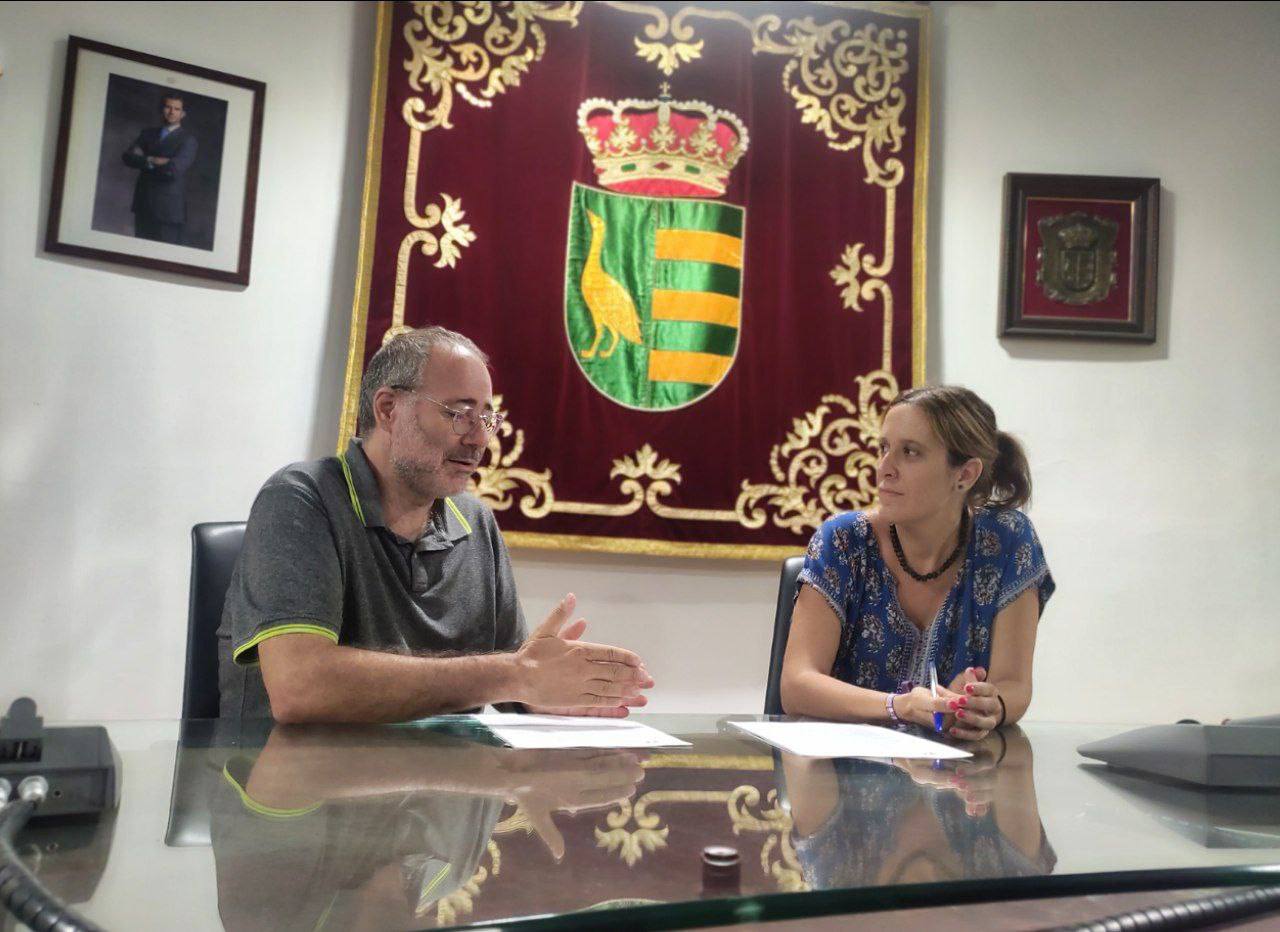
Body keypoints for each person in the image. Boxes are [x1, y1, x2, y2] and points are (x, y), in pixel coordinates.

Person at [216, 326, 654, 721]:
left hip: (436, 789)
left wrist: (544, 693)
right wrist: (515, 676)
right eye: (459, 412)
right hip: (294, 794)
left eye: (486, 417)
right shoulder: (300, 498)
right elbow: (301, 688)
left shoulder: (475, 521)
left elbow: (510, 677)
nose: (479, 438)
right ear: (388, 409)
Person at [780, 385, 1054, 740]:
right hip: (839, 774)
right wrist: (901, 705)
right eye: (883, 449)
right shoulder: (843, 541)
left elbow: (1014, 686)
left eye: (910, 452)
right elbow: (797, 686)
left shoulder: (1007, 541)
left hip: (957, 782)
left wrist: (983, 704)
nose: (884, 469)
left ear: (965, 474)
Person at [121, 92, 197, 244]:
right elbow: (128, 157)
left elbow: (174, 170)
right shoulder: (147, 134)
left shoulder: (188, 140)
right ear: (162, 109)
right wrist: (152, 159)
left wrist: (143, 160)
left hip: (168, 210)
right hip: (143, 204)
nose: (171, 112)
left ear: (183, 114)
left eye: (176, 109)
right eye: (168, 107)